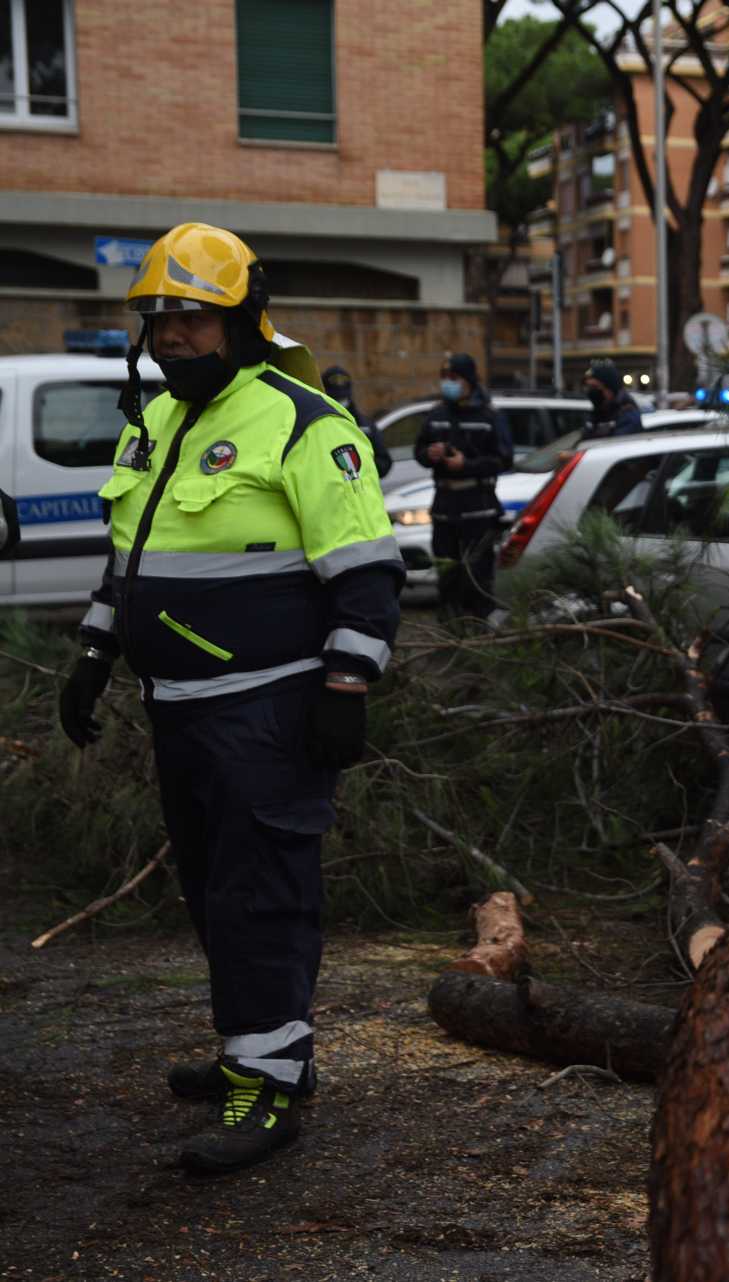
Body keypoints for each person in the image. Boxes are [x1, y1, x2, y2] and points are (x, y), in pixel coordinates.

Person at [56, 222, 403, 1176]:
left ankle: (270, 1090)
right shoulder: (157, 422)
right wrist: (93, 649)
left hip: (271, 711)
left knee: (263, 896)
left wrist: (346, 685)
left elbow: (368, 573)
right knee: (214, 891)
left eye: (194, 320)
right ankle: (257, 1046)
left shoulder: (303, 422)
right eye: (159, 320)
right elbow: (129, 556)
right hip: (180, 705)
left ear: (245, 320)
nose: (173, 337)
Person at [414, 353, 514, 618]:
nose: (448, 383)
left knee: (477, 576)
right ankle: (450, 630)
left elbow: (504, 459)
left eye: (454, 378)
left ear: (469, 380)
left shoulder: (489, 416)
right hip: (444, 508)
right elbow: (419, 450)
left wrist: (466, 465)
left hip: (477, 508)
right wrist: (430, 454)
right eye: (444, 377)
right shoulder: (436, 414)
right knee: (447, 575)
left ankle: (478, 631)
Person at [319, 364, 393, 479]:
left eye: (343, 399)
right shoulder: (317, 426)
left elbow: (384, 463)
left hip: (364, 490)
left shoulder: (365, 425)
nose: (341, 404)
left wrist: (360, 462)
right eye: (335, 399)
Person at [581, 358, 645, 439]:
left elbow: (614, 446)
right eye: (588, 387)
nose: (591, 391)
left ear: (610, 389)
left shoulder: (627, 416)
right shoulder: (597, 413)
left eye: (595, 387)